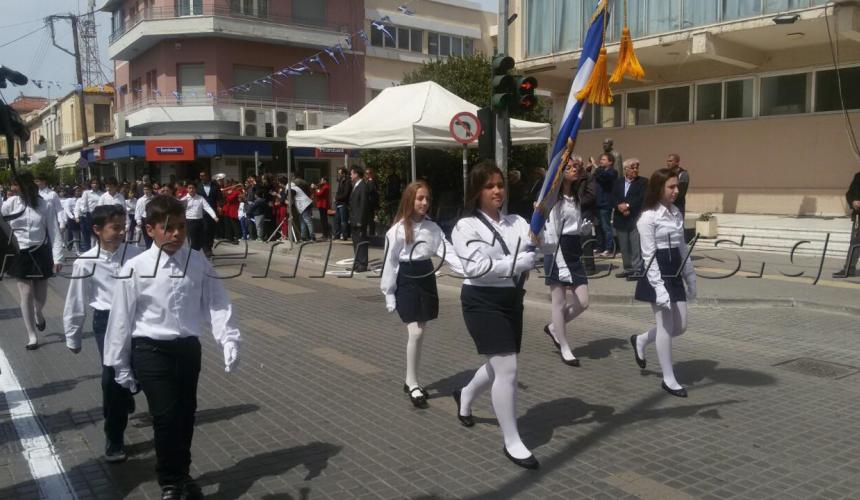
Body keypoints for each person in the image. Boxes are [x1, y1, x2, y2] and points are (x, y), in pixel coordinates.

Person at [103, 195, 241, 499]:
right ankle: (170, 481)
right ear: (150, 229)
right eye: (169, 228)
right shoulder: (136, 267)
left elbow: (217, 302)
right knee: (165, 417)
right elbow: (121, 318)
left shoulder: (197, 261)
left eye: (181, 227)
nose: (177, 233)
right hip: (150, 350)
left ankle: (182, 472)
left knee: (186, 414)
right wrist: (119, 364)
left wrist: (228, 337)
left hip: (188, 350)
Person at [451, 160, 538, 470]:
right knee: (508, 368)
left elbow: (537, 249)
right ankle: (512, 440)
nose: (497, 191)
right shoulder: (465, 226)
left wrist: (549, 228)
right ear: (477, 191)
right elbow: (475, 268)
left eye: (500, 185)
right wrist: (517, 264)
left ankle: (465, 394)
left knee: (498, 364)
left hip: (511, 298)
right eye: (489, 186)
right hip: (481, 300)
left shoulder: (517, 222)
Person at [64, 205, 140, 463]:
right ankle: (114, 437)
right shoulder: (85, 261)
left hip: (137, 320)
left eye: (123, 227)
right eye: (115, 227)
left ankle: (128, 391)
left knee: (138, 372)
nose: (121, 232)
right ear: (97, 229)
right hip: (106, 322)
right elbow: (76, 299)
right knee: (111, 378)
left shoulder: (137, 255)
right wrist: (73, 335)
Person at [381, 181, 462, 408]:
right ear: (410, 200)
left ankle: (410, 380)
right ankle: (413, 383)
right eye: (420, 198)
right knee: (415, 332)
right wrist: (389, 293)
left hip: (426, 276)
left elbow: (447, 251)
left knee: (420, 331)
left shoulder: (432, 228)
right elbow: (389, 263)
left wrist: (470, 270)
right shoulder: (396, 231)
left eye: (427, 198)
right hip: (407, 279)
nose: (424, 202)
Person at [631, 168, 697, 398]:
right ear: (659, 189)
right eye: (671, 187)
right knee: (666, 327)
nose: (676, 191)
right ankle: (669, 378)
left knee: (681, 326)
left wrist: (690, 276)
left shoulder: (676, 213)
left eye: (677, 186)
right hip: (656, 273)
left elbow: (682, 248)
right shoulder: (648, 217)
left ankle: (641, 339)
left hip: (674, 271)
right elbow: (648, 255)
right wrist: (659, 288)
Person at [540, 156, 594, 367]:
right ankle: (564, 347)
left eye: (576, 167)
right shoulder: (554, 198)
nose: (575, 170)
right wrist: (560, 264)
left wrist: (583, 229)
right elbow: (553, 232)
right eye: (569, 167)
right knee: (559, 302)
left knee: (583, 301)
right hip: (556, 250)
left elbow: (572, 226)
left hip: (573, 249)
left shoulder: (576, 197)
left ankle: (554, 327)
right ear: (560, 171)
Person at [1, 172, 64, 349]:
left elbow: (54, 232)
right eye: (12, 185)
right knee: (26, 293)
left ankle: (38, 312)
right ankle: (32, 335)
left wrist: (58, 257)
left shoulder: (45, 205)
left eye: (15, 185)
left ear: (26, 185)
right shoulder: (10, 203)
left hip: (40, 251)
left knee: (40, 296)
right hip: (19, 252)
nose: (12, 188)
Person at [612, 159, 648, 280]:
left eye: (637, 167)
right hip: (620, 217)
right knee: (624, 246)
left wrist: (627, 206)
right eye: (632, 168)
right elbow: (612, 197)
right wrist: (619, 206)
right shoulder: (618, 182)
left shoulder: (643, 182)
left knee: (635, 245)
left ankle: (637, 269)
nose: (635, 170)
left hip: (635, 217)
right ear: (625, 169)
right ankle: (627, 269)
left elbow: (642, 198)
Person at [834, 170, 860, 278]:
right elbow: (849, 193)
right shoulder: (858, 176)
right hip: (859, 215)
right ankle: (849, 269)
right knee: (855, 243)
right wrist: (853, 201)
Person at [181, 183, 219, 251]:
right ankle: (193, 253)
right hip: (189, 221)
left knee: (201, 239)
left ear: (195, 189)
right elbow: (179, 209)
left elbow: (207, 207)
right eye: (189, 188)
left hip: (199, 221)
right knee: (193, 240)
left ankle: (199, 252)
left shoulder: (200, 198)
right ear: (187, 189)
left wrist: (214, 216)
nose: (191, 190)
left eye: (193, 188)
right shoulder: (184, 199)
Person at [594, 153, 618, 257]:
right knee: (598, 226)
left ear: (610, 162)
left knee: (606, 227)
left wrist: (595, 166)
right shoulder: (599, 171)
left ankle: (609, 248)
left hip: (606, 203)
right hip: (597, 203)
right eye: (601, 159)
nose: (601, 161)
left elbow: (604, 177)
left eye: (604, 159)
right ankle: (600, 247)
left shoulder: (612, 172)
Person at [349, 166, 372, 272]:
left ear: (356, 174)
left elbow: (363, 204)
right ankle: (357, 263)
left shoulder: (363, 186)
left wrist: (360, 220)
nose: (350, 175)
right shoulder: (356, 185)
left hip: (359, 220)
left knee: (361, 241)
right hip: (354, 219)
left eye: (351, 173)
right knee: (355, 241)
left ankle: (362, 264)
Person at [197, 171, 221, 256]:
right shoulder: (198, 186)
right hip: (202, 211)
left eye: (203, 176)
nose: (201, 177)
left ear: (208, 176)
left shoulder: (215, 186)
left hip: (213, 211)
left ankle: (209, 247)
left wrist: (219, 206)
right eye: (200, 176)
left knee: (211, 230)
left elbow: (219, 197)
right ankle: (205, 248)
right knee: (205, 229)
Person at [77, 178, 104, 252]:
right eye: (93, 183)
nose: (95, 185)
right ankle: (89, 252)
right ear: (91, 184)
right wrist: (84, 212)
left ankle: (98, 250)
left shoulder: (102, 194)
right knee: (89, 236)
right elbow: (83, 204)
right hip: (89, 215)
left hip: (99, 215)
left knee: (98, 235)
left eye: (96, 183)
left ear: (99, 184)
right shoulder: (86, 193)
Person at [334, 167, 352, 240]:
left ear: (344, 173)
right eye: (338, 173)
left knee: (343, 221)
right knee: (337, 220)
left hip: (344, 203)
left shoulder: (347, 182)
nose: (339, 175)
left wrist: (337, 198)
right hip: (338, 203)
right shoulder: (341, 181)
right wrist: (336, 198)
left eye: (340, 173)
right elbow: (338, 191)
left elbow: (345, 194)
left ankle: (344, 235)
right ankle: (337, 235)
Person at [135, 184, 155, 248]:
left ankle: (154, 248)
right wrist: (138, 219)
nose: (145, 191)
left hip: (154, 219)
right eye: (144, 189)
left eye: (147, 189)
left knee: (154, 235)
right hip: (145, 219)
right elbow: (138, 210)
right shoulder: (141, 200)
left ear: (151, 190)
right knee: (146, 236)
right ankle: (148, 248)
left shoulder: (155, 199)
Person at [63, 186, 82, 252]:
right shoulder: (69, 200)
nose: (78, 192)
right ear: (73, 192)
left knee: (81, 235)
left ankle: (80, 247)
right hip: (72, 218)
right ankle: (76, 250)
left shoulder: (82, 199)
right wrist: (72, 217)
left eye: (79, 191)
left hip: (81, 217)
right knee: (74, 235)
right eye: (77, 191)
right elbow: (67, 210)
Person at [365, 167, 380, 236]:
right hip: (370, 204)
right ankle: (371, 233)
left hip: (371, 204)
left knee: (371, 220)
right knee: (370, 220)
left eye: (368, 173)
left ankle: (371, 234)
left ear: (371, 174)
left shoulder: (371, 182)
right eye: (366, 173)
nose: (367, 175)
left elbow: (369, 191)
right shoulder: (369, 181)